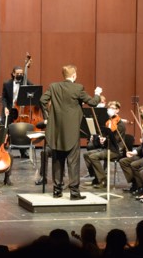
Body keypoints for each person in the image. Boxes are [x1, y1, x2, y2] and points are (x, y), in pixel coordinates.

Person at [40, 64, 102, 200]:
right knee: (73, 161)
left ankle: (57, 190)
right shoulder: (78, 88)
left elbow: (42, 100)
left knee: (57, 160)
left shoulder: (53, 86)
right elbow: (92, 102)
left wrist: (48, 118)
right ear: (74, 75)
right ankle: (74, 192)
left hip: (56, 131)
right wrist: (97, 94)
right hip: (72, 132)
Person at [84, 100, 126, 188]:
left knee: (93, 156)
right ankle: (96, 177)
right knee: (86, 154)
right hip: (106, 148)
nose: (110, 110)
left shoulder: (120, 124)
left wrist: (105, 139)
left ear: (117, 110)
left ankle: (103, 180)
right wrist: (98, 137)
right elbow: (104, 135)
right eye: (109, 108)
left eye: (113, 108)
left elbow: (115, 139)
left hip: (115, 150)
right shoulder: (108, 122)